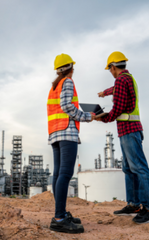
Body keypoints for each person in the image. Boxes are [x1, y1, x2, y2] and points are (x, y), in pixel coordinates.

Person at [94, 51, 149, 224]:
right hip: (127, 131)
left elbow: (118, 108)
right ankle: (134, 204)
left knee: (139, 168)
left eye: (110, 69)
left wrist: (102, 117)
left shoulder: (121, 80)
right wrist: (104, 93)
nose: (110, 72)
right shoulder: (127, 79)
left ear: (113, 67)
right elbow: (116, 90)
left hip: (129, 130)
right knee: (129, 169)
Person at [47, 53, 94, 233]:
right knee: (65, 174)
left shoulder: (54, 86)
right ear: (70, 68)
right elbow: (67, 106)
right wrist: (87, 116)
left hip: (55, 133)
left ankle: (61, 213)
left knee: (59, 174)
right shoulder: (67, 82)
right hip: (67, 132)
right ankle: (59, 217)